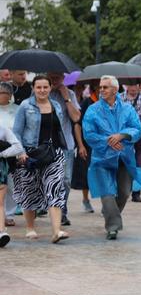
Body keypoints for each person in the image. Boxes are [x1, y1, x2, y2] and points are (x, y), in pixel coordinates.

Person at [83, 76, 141, 240]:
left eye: (105, 87)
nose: (101, 90)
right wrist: (109, 141)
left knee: (124, 192)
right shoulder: (93, 110)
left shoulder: (127, 109)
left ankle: (110, 211)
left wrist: (122, 135)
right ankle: (113, 226)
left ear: (115, 90)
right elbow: (88, 134)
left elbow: (137, 129)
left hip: (124, 156)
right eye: (100, 87)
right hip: (102, 157)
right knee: (107, 192)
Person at [12, 75, 69, 243]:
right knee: (30, 189)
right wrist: (21, 152)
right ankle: (30, 227)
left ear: (50, 88)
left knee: (55, 188)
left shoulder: (56, 105)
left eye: (45, 87)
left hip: (54, 153)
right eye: (39, 87)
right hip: (30, 154)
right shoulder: (25, 106)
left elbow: (59, 129)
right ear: (33, 88)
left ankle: (57, 230)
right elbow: (16, 132)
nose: (42, 90)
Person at [46, 72, 82, 227]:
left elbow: (76, 118)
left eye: (58, 77)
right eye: (52, 76)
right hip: (46, 145)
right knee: (49, 180)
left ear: (63, 78)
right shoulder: (41, 92)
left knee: (66, 180)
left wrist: (66, 97)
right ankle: (54, 211)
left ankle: (62, 210)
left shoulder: (70, 94)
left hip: (66, 143)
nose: (55, 80)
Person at [72, 84, 98, 213]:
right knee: (85, 173)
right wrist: (80, 145)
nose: (103, 90)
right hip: (88, 144)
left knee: (105, 174)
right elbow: (78, 125)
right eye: (101, 87)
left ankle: (106, 202)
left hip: (105, 145)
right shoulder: (87, 103)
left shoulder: (114, 104)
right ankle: (85, 199)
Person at [0, 82, 19, 226]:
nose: (1, 95)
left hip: (13, 150)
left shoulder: (17, 109)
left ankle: (9, 213)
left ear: (10, 95)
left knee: (11, 183)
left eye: (4, 93)